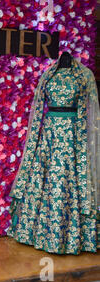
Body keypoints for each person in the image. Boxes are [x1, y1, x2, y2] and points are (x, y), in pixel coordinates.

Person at [8, 52, 100, 254]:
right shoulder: (48, 75)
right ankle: (39, 232)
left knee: (68, 179)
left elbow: (91, 110)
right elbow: (39, 107)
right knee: (46, 178)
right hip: (49, 135)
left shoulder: (84, 76)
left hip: (73, 134)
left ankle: (71, 237)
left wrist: (85, 136)